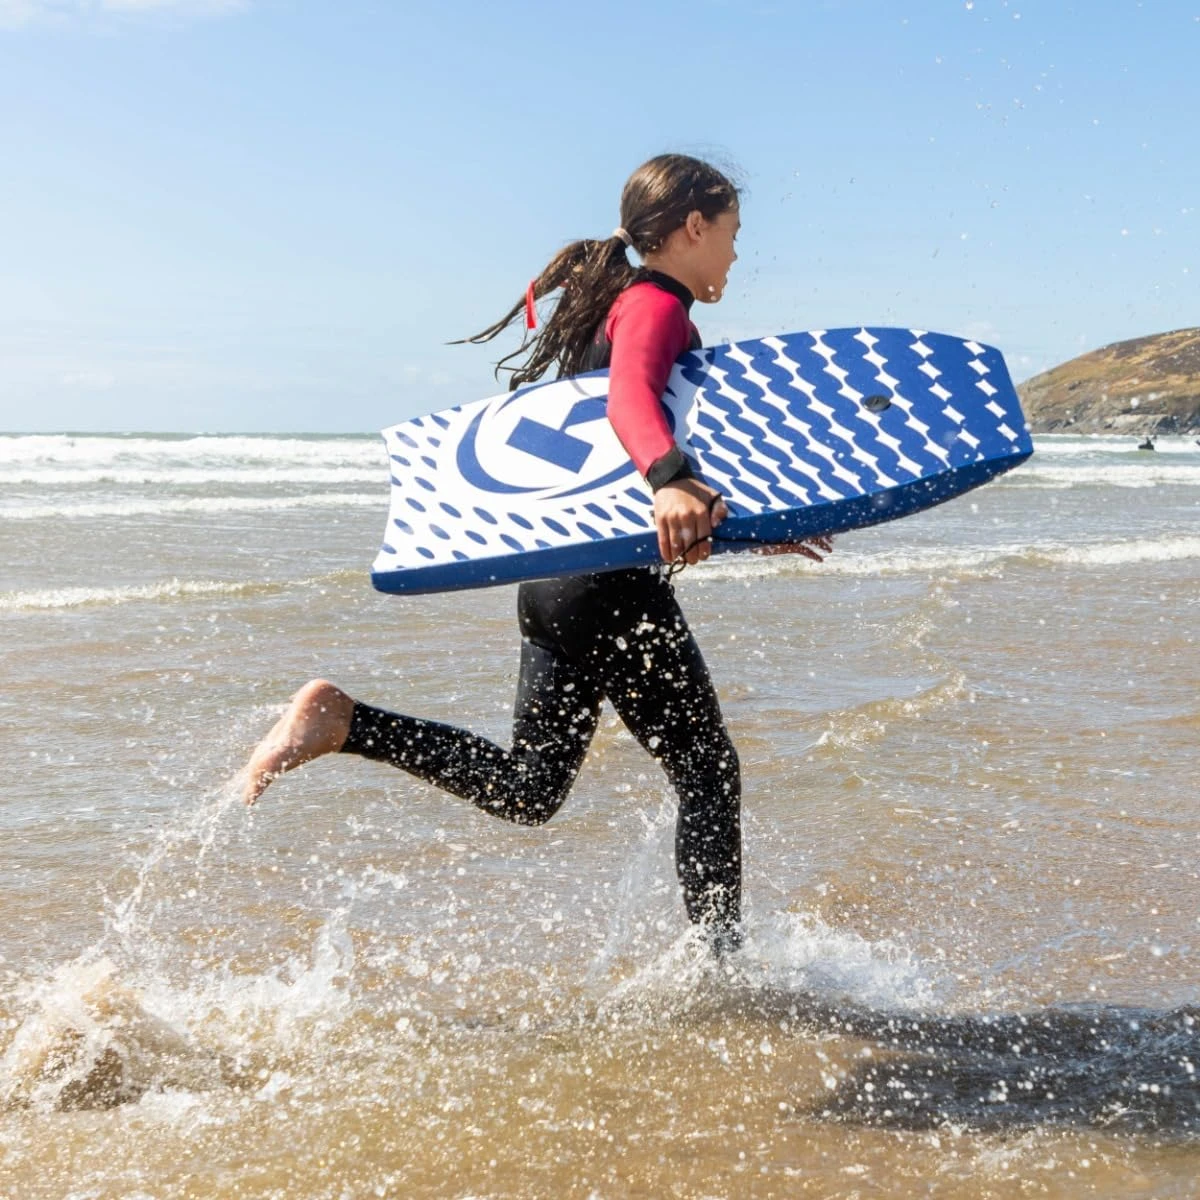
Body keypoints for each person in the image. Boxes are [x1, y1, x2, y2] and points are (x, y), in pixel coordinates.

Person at [241, 153, 831, 952]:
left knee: (529, 788)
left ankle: (345, 722)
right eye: (731, 232)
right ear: (694, 227)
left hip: (555, 580)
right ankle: (723, 969)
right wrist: (669, 479)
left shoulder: (616, 307)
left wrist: (748, 527)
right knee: (708, 771)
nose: (735, 252)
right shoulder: (656, 305)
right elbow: (630, 405)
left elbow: (610, 478)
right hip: (609, 586)